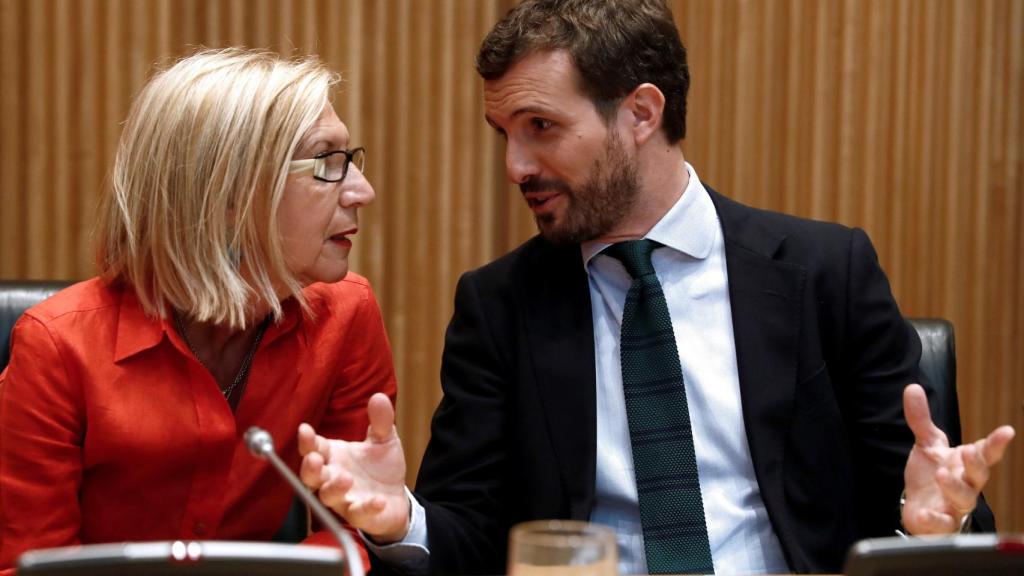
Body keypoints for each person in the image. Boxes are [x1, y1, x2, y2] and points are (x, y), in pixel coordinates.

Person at [298, 1, 1016, 574]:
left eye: (541, 127)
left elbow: (931, 508)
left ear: (642, 113)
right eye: (504, 134)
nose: (516, 165)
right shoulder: (500, 306)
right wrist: (401, 518)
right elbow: (472, 538)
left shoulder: (825, 271)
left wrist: (936, 520)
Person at [0, 48, 395, 573]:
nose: (362, 191)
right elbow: (28, 563)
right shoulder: (55, 345)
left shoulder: (348, 314)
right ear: (227, 193)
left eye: (350, 160)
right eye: (326, 163)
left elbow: (355, 533)